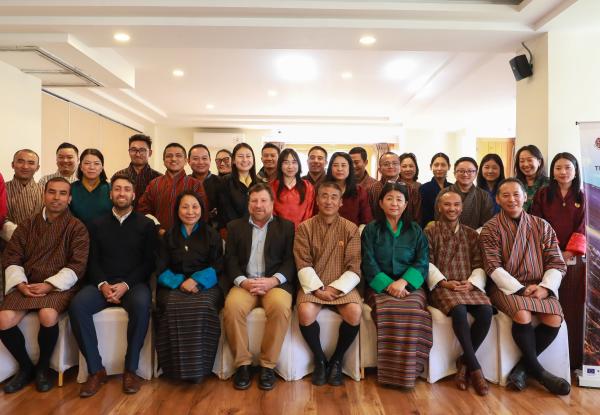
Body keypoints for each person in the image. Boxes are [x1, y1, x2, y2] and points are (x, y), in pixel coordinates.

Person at [69, 174, 157, 397]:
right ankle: (96, 370)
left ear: (134, 195)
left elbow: (148, 262)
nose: (121, 194)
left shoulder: (146, 225)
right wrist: (102, 284)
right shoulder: (96, 224)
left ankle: (131, 369)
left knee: (141, 304)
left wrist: (126, 285)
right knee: (78, 305)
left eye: (126, 189)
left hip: (133, 284)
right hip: (102, 283)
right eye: (117, 189)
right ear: (110, 194)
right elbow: (92, 260)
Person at [480, 178, 570, 395]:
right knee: (522, 314)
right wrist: (520, 289)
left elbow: (556, 262)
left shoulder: (542, 226)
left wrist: (545, 287)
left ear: (525, 197)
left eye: (516, 194)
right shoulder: (491, 228)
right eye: (506, 195)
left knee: (554, 318)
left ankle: (522, 369)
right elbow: (492, 267)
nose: (512, 199)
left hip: (540, 285)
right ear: (498, 200)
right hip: (506, 287)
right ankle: (540, 373)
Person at [0, 178, 89, 393]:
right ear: (44, 195)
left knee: (48, 315)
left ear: (69, 198)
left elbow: (78, 265)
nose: (56, 198)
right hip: (27, 284)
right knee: (3, 319)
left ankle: (42, 368)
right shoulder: (28, 225)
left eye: (62, 193)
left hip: (59, 286)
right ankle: (25, 367)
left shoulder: (77, 227)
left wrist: (49, 285)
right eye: (52, 192)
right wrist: (21, 284)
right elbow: (12, 257)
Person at [223, 183, 295, 391]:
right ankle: (243, 365)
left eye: (263, 200)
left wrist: (273, 280)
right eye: (254, 201)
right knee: (232, 307)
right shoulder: (235, 227)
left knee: (281, 308)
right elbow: (231, 260)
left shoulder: (287, 227)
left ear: (272, 203)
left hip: (274, 284)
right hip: (245, 283)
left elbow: (290, 260)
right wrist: (243, 281)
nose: (259, 205)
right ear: (248, 204)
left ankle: (267, 366)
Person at [361, 182, 431, 388]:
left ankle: (409, 371)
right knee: (388, 310)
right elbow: (368, 261)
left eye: (399, 199)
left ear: (406, 204)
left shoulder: (416, 230)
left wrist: (403, 282)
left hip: (410, 286)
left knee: (414, 311)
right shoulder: (371, 230)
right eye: (389, 199)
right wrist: (388, 284)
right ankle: (390, 373)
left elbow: (422, 260)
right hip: (379, 286)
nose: (394, 203)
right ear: (381, 203)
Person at [425, 190, 493, 396]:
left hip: (467, 285)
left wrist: (472, 283)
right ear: (439, 207)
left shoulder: (472, 234)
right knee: (459, 310)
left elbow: (479, 263)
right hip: (443, 287)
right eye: (447, 205)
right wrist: (445, 283)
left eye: (456, 205)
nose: (452, 209)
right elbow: (425, 262)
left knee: (486, 311)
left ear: (462, 208)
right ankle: (476, 370)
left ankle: (464, 364)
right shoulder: (429, 232)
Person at [294, 181, 362, 386]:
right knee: (305, 312)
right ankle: (320, 359)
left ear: (341, 202)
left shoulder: (350, 228)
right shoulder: (305, 227)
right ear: (316, 200)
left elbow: (354, 265)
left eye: (334, 197)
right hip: (313, 284)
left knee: (354, 312)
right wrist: (317, 289)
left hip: (342, 286)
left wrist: (334, 289)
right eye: (324, 196)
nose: (329, 201)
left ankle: (337, 360)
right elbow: (302, 261)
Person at [155, 190, 224, 384]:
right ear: (177, 210)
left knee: (202, 307)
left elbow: (218, 265)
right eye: (185, 207)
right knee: (172, 307)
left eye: (195, 207)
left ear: (202, 210)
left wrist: (197, 281)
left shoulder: (212, 234)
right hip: (173, 285)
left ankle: (201, 367)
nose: (190, 211)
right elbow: (160, 267)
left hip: (205, 285)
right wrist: (179, 282)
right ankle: (173, 368)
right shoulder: (168, 236)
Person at [531, 152, 586, 369]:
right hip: (546, 258)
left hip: (573, 261)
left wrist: (569, 253)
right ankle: (544, 360)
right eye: (558, 168)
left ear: (575, 171)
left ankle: (571, 360)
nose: (563, 172)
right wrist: (552, 252)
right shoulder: (543, 195)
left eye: (568, 168)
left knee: (571, 306)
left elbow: (583, 228)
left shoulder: (582, 196)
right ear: (552, 171)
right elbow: (536, 224)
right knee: (547, 305)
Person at [137, 143, 206, 235]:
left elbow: (203, 213)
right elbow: (143, 210)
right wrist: (158, 230)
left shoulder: (195, 184)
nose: (173, 159)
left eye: (178, 156)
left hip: (189, 239)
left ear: (186, 161)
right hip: (159, 238)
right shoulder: (154, 184)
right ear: (164, 160)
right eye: (169, 156)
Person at [438, 157, 494, 230]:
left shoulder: (484, 195)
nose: (465, 174)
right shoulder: (444, 193)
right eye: (461, 171)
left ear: (476, 173)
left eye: (470, 171)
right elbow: (438, 218)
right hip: (447, 237)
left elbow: (487, 223)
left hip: (476, 238)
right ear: (455, 173)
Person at [112, 134, 162, 207]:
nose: (138, 154)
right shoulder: (118, 175)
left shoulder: (159, 178)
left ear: (150, 153)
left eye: (142, 150)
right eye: (133, 150)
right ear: (129, 152)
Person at [217, 143, 259, 228]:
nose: (244, 160)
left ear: (253, 159)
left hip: (256, 230)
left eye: (248, 156)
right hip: (233, 231)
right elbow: (226, 212)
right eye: (240, 156)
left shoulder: (259, 183)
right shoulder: (225, 181)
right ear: (233, 160)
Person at [371, 152, 421, 224]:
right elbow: (370, 215)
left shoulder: (410, 189)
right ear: (379, 169)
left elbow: (417, 216)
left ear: (400, 167)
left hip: (406, 230)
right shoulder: (373, 188)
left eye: (395, 163)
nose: (391, 166)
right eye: (386, 164)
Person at [324, 152, 373, 226]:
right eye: (335, 165)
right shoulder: (322, 189)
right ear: (330, 168)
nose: (339, 169)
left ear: (350, 168)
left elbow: (366, 219)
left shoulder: (360, 192)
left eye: (343, 165)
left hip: (353, 235)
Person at [270, 148, 314, 229]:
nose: (290, 166)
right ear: (280, 165)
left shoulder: (307, 186)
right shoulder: (271, 187)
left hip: (302, 233)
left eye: (294, 162)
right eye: (286, 162)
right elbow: (271, 212)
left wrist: (301, 231)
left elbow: (309, 212)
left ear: (299, 165)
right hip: (278, 233)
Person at [4, 150, 43, 237]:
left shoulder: (44, 191)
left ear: (37, 167)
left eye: (31, 163)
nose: (25, 166)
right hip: (7, 246)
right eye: (20, 161)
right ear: (12, 164)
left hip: (38, 243)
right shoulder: (2, 189)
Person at [69, 148, 112, 228]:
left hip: (105, 236)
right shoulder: (71, 189)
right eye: (87, 163)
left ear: (102, 167)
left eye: (96, 163)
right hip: (77, 236)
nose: (92, 167)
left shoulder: (111, 188)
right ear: (81, 167)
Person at [188, 144, 221, 224]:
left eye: (204, 158)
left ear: (210, 160)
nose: (200, 162)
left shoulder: (221, 182)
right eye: (195, 158)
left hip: (215, 230)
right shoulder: (185, 182)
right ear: (188, 161)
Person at [420, 152, 452, 227]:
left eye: (443, 165)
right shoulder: (424, 188)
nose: (439, 168)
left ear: (449, 167)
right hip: (430, 229)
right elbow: (422, 215)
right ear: (431, 166)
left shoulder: (453, 188)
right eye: (436, 165)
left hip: (451, 228)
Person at [514, 145, 549, 212]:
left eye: (529, 160)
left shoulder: (548, 184)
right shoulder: (514, 184)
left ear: (539, 162)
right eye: (522, 161)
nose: (526, 164)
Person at [349, 147, 378, 211]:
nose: (353, 166)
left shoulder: (375, 185)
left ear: (365, 162)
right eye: (350, 163)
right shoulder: (343, 183)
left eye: (356, 162)